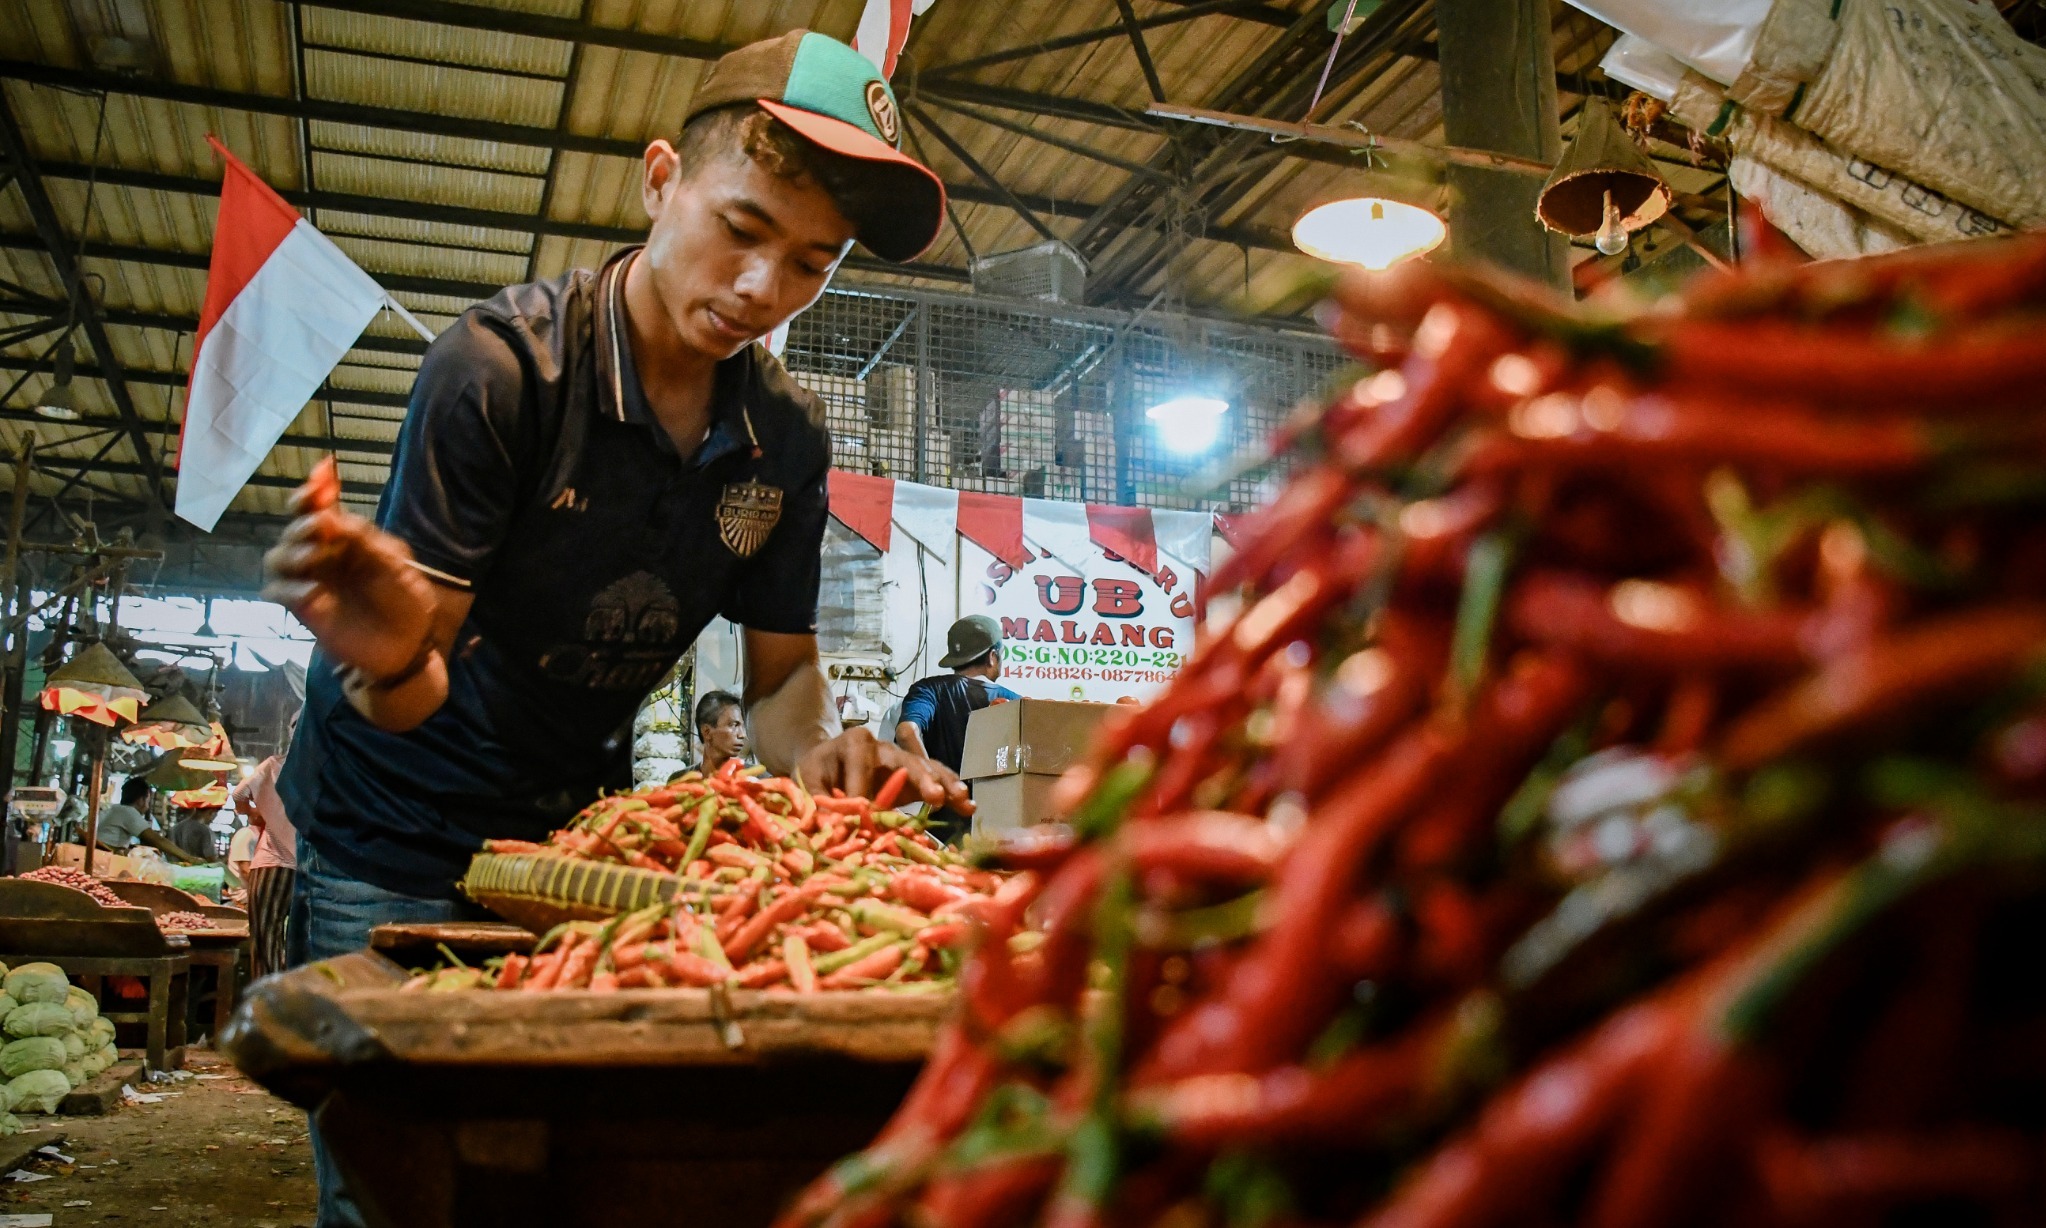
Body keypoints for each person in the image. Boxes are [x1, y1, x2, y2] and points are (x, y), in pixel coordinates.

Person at [260, 31, 968, 1226]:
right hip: (391, 826)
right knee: (399, 1178)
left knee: (561, 1166)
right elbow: (412, 688)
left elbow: (780, 675)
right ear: (659, 180)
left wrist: (824, 753)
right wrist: (389, 651)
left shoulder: (785, 440)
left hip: (574, 845)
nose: (764, 288)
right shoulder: (501, 373)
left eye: (812, 262)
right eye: (741, 230)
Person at [896, 615, 1020, 842]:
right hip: (994, 833)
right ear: (992, 657)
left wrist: (933, 781)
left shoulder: (928, 690)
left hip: (935, 832)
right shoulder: (1015, 702)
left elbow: (906, 732)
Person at [233, 734, 299, 981]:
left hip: (273, 864)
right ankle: (294, 994)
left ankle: (269, 994)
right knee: (298, 940)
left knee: (265, 938)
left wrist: (253, 813)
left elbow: (239, 795)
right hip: (309, 866)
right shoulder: (322, 767)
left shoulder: (276, 764)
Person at [687, 690, 748, 776]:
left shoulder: (757, 779)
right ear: (707, 732)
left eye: (743, 726)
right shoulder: (681, 780)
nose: (742, 735)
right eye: (734, 725)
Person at [94, 778, 154, 852]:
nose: (147, 807)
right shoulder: (129, 812)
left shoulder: (115, 809)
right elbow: (156, 839)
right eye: (148, 802)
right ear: (141, 800)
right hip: (103, 854)